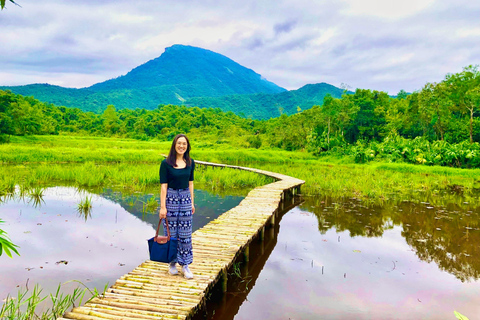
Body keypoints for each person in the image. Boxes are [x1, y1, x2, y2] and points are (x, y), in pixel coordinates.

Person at [159, 134, 195, 279]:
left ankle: (185, 265)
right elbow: (163, 186)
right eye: (179, 143)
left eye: (184, 144)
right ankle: (172, 263)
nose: (181, 146)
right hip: (171, 199)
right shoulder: (166, 163)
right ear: (174, 145)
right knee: (171, 232)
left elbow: (191, 183)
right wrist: (163, 207)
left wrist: (192, 202)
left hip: (186, 198)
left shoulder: (191, 162)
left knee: (185, 234)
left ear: (187, 146)